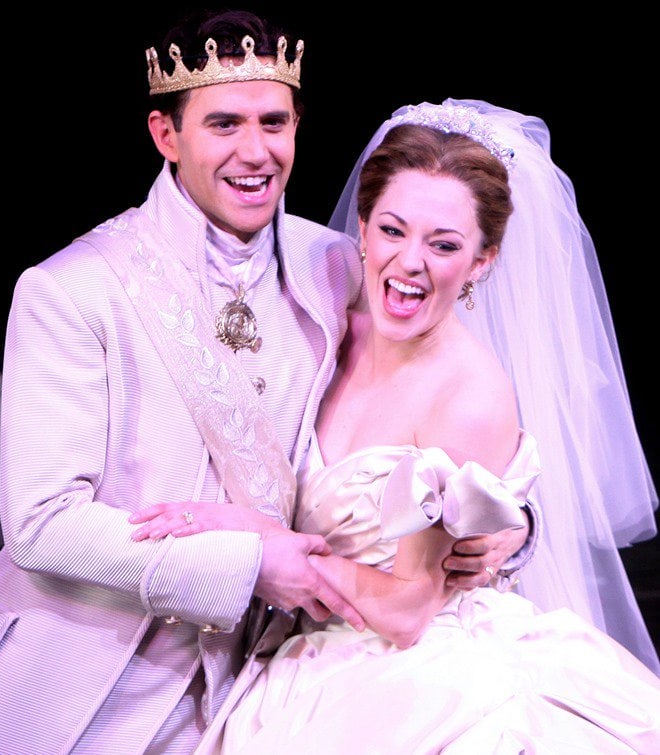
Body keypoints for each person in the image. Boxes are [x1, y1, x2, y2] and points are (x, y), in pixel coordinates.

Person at [0, 12, 533, 754]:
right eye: (224, 123)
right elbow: (41, 523)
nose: (255, 151)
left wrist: (502, 526)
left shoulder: (340, 264)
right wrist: (253, 561)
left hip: (255, 683)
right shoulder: (71, 290)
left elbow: (437, 397)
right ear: (168, 136)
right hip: (84, 673)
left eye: (274, 122)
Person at [182, 100, 656, 752]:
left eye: (444, 245)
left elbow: (407, 611)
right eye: (393, 230)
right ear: (363, 228)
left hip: (411, 669)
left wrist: (267, 544)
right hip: (275, 649)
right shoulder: (318, 319)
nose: (410, 261)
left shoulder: (468, 397)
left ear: (483, 261)